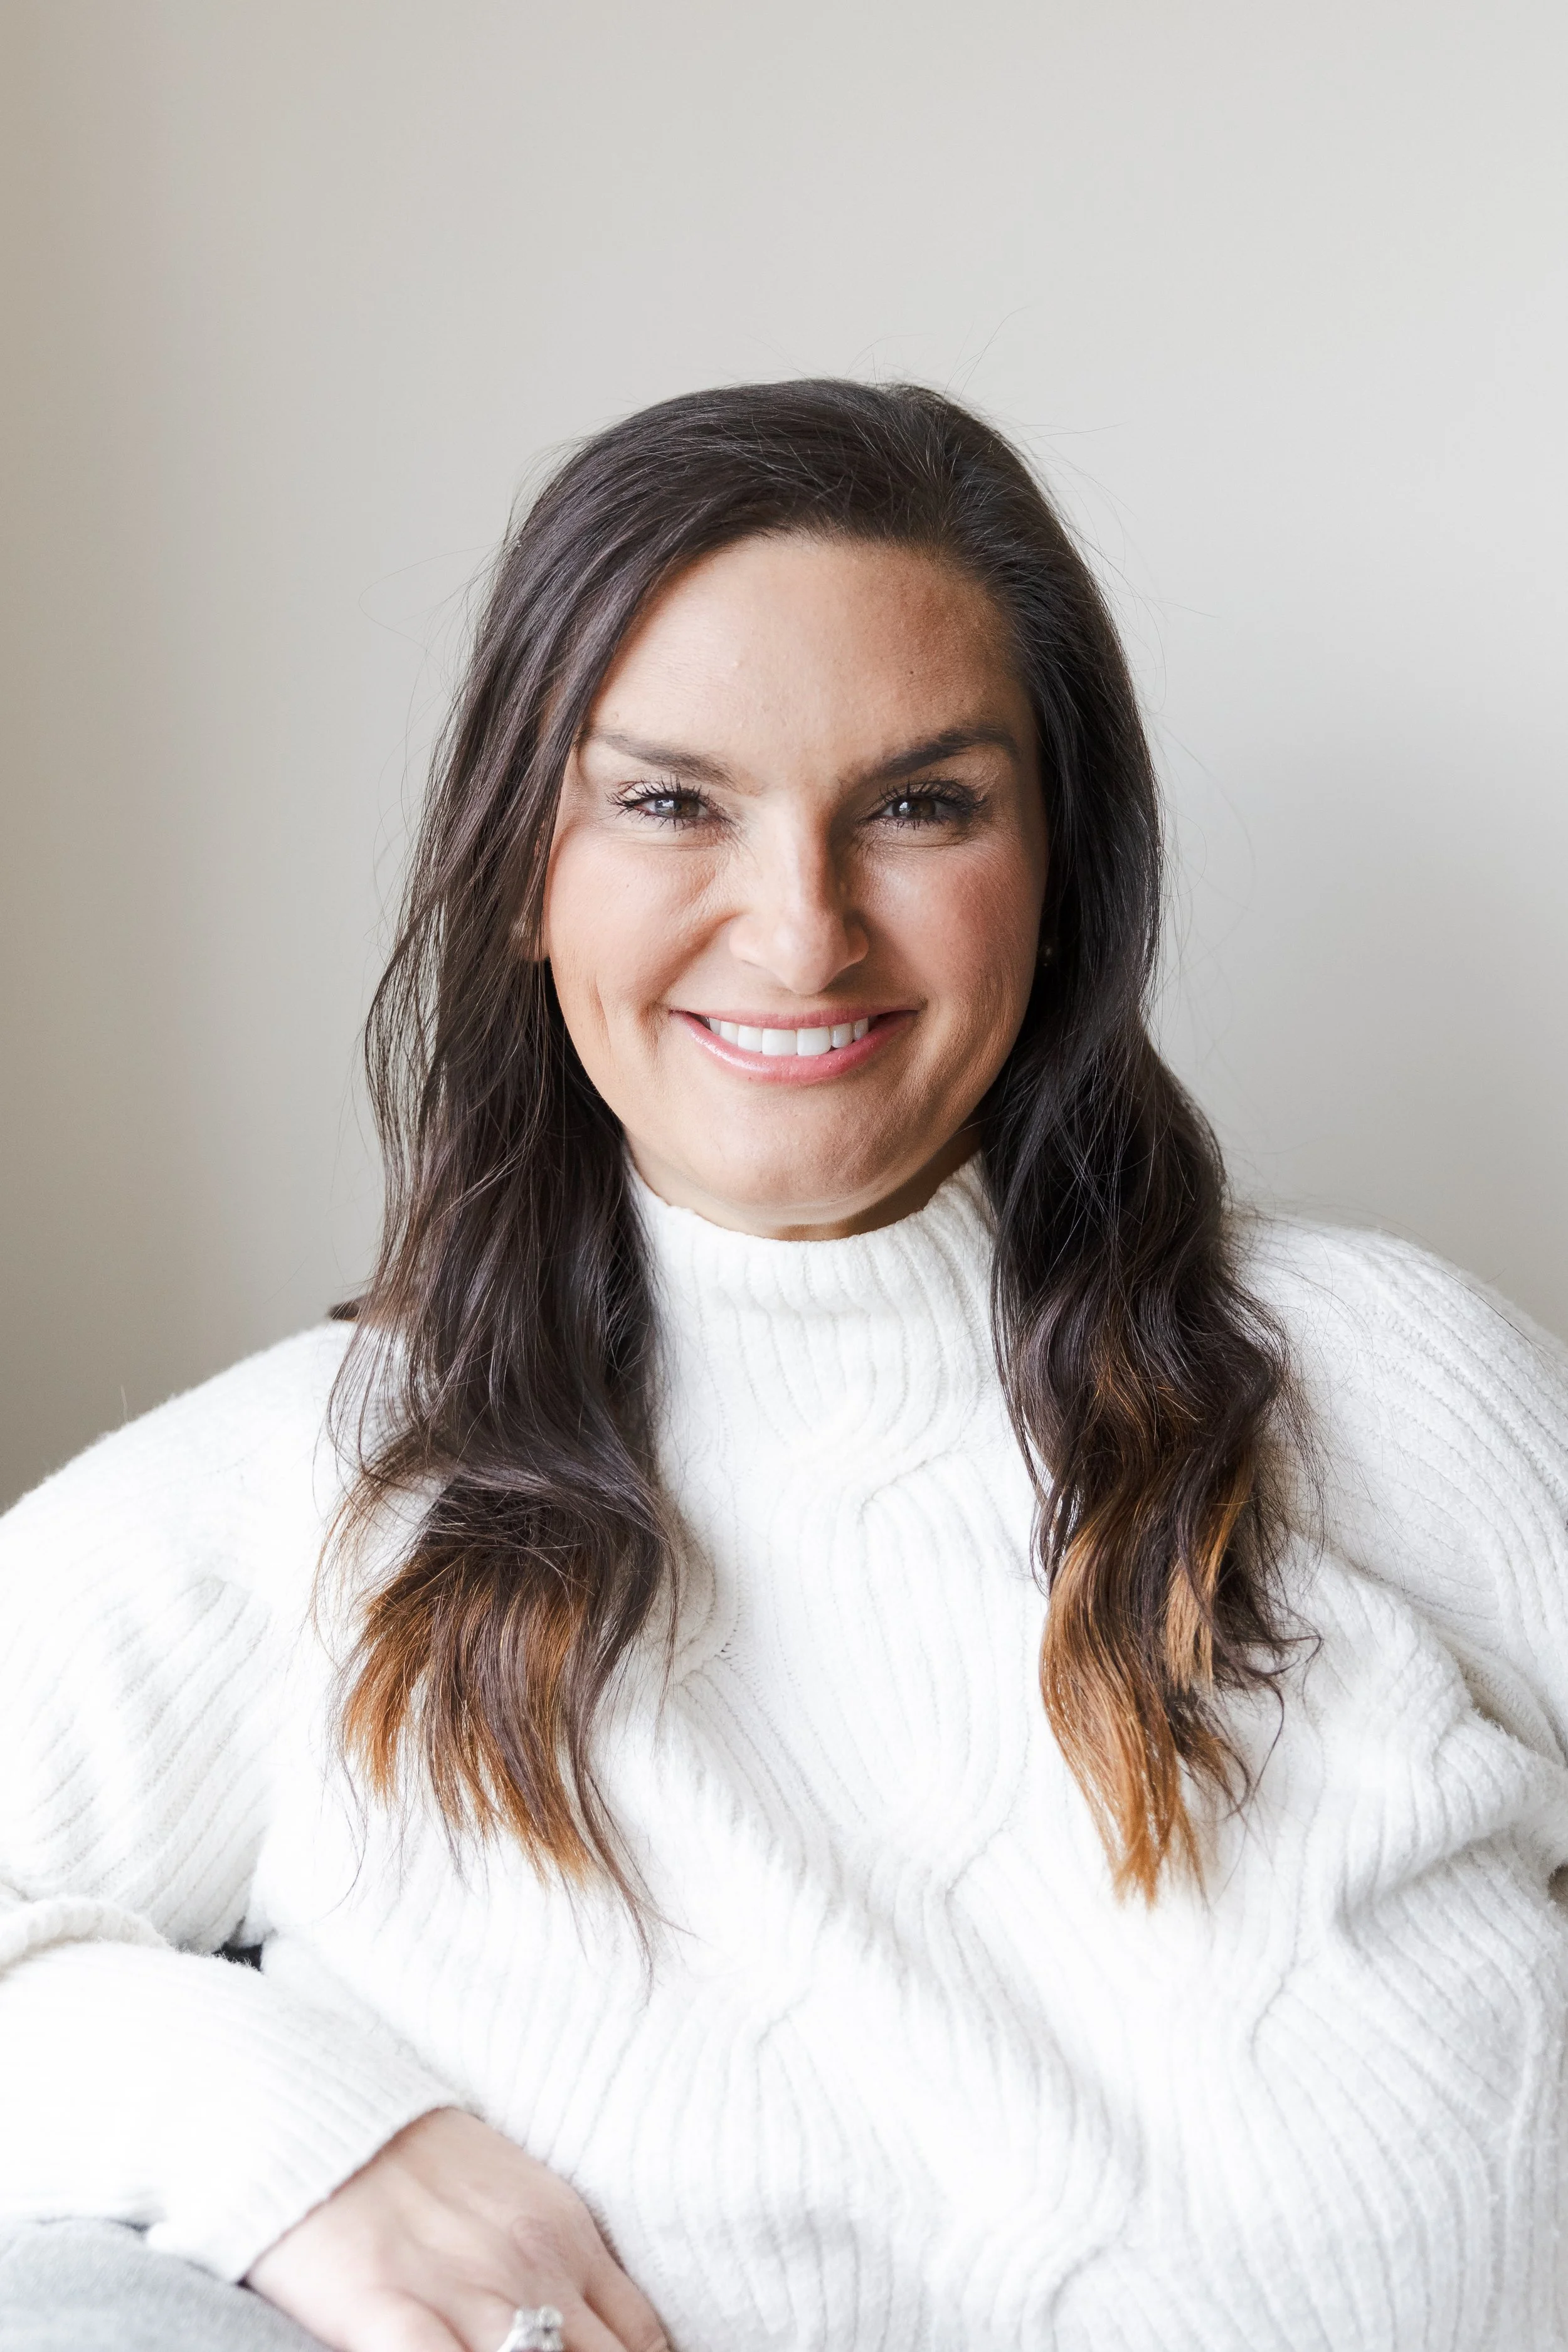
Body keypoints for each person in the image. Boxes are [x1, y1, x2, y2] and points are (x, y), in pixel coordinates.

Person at [2, 380, 1566, 2352]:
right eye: (668, 801)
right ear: (519, 867)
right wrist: (279, 2129)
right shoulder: (312, 1497)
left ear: (1060, 864)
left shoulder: (1370, 1374)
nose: (801, 927)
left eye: (919, 805)